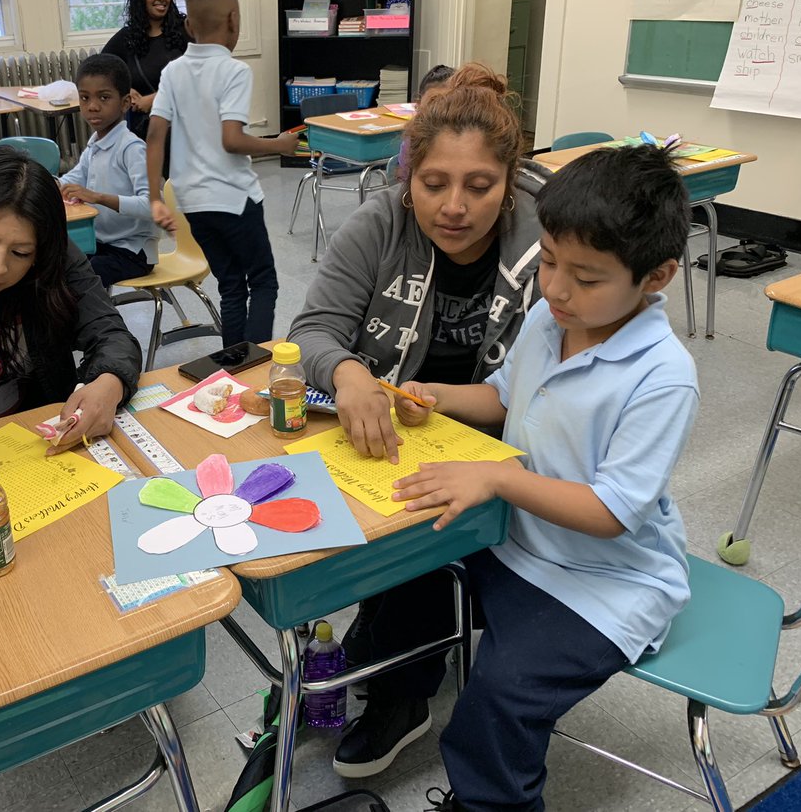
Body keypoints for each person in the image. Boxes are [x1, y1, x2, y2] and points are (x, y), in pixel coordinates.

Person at [401, 143, 698, 811]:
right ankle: (392, 703)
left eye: (586, 278)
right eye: (552, 263)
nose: (558, 289)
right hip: (518, 541)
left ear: (657, 276)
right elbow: (506, 396)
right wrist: (438, 396)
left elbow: (612, 511)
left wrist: (498, 479)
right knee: (401, 572)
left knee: (501, 699)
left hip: (606, 582)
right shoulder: (550, 318)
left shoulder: (663, 376)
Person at [286, 63, 547, 778]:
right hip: (404, 428)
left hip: (503, 439)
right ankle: (389, 641)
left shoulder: (547, 241)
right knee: (356, 529)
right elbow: (312, 329)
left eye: (480, 186)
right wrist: (349, 375)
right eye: (434, 185)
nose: (454, 207)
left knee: (424, 537)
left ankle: (403, 692)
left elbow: (554, 381)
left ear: (512, 179)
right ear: (408, 179)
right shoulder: (381, 225)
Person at [0, 145, 142, 448]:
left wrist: (110, 382)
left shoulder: (55, 258)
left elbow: (110, 334)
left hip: (29, 438)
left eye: (20, 253)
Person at [147, 0, 298, 347]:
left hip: (192, 203)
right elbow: (232, 139)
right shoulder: (234, 71)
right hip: (234, 199)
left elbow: (154, 135)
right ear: (234, 20)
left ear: (188, 26)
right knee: (263, 281)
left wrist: (153, 198)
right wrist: (278, 145)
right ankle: (255, 367)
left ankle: (234, 368)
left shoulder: (172, 72)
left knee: (231, 286)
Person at [59, 52, 158, 287]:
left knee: (76, 280)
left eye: (104, 98)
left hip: (133, 251)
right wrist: (47, 183)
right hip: (101, 243)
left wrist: (98, 198)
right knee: (55, 265)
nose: (92, 107)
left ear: (124, 103)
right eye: (85, 98)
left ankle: (97, 323)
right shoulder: (96, 143)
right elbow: (75, 176)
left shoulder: (132, 148)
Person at [100, 0, 190, 142]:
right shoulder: (127, 38)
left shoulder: (185, 30)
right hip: (145, 130)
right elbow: (97, 69)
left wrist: (155, 99)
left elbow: (196, 79)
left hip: (184, 125)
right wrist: (124, 89)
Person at [395, 63, 456, 182]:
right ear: (418, 104)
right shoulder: (412, 141)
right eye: (433, 102)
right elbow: (404, 183)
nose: (440, 109)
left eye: (449, 102)